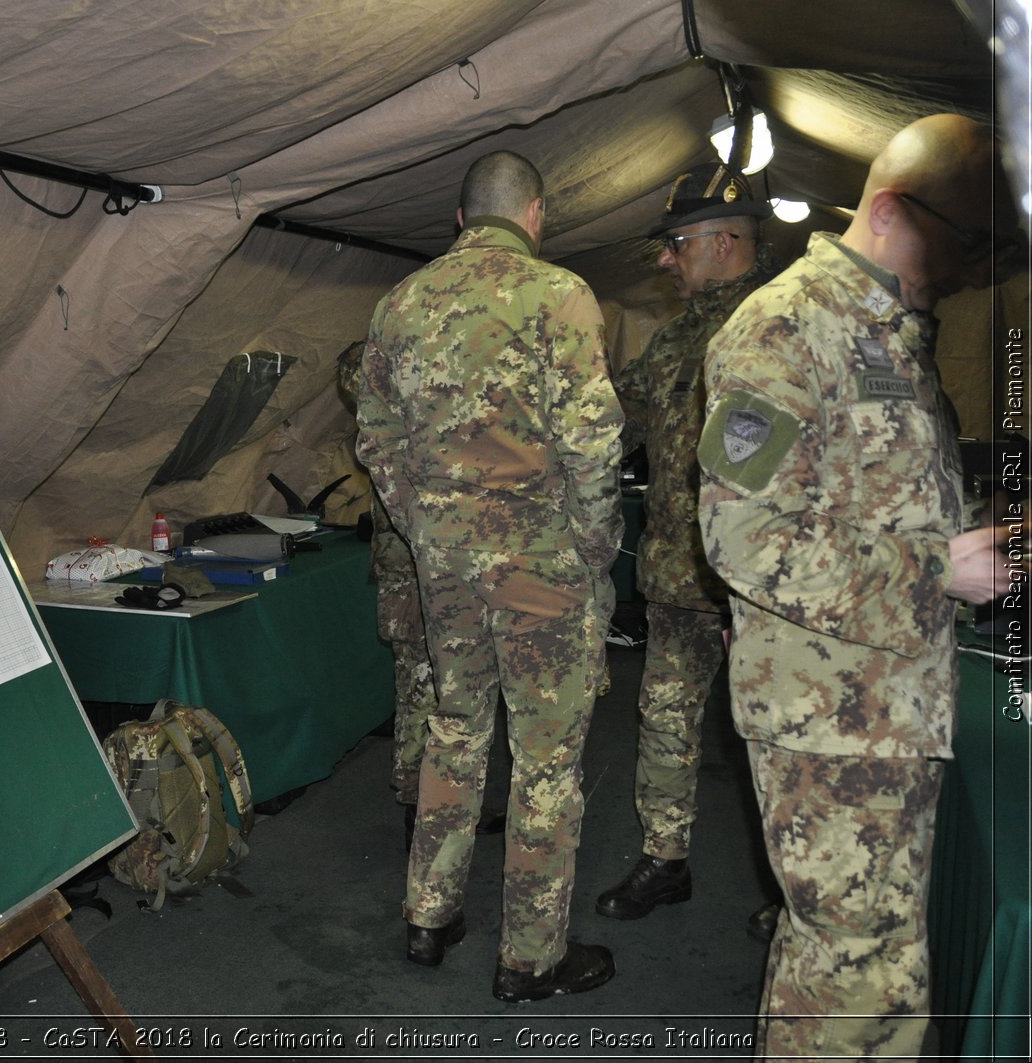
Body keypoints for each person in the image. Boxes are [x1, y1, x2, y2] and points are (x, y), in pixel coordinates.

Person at [697, 113, 1020, 1058]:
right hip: (828, 721)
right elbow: (740, 531)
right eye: (967, 246)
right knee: (857, 983)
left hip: (882, 704)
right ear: (889, 210)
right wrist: (937, 571)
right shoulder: (785, 329)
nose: (973, 271)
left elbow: (865, 497)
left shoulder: (892, 333)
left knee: (851, 972)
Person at [356, 150, 624, 1001]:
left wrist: (428, 526)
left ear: (461, 221)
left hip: (447, 568)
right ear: (536, 214)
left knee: (455, 729)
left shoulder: (399, 305)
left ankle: (429, 916)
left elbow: (376, 441)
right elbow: (592, 444)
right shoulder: (561, 296)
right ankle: (530, 957)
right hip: (541, 565)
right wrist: (594, 546)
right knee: (546, 762)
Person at [595, 164, 779, 923]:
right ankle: (665, 859)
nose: (666, 260)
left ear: (727, 240)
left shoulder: (776, 326)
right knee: (665, 715)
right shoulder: (676, 335)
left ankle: (791, 888)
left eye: (677, 244)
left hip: (760, 583)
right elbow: (621, 414)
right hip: (678, 572)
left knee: (772, 735)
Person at [337, 344, 510, 855]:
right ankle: (421, 813)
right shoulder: (389, 421)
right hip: (412, 574)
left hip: (445, 571)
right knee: (421, 692)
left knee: (454, 691)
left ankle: (450, 803)